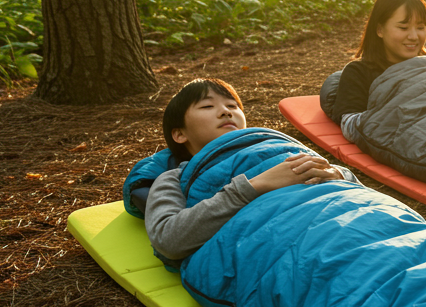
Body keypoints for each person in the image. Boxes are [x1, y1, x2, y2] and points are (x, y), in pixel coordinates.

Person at [144, 78, 351, 262]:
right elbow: (168, 239)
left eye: (232, 106)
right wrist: (255, 185)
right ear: (180, 134)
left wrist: (337, 174)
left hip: (345, 216)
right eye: (207, 106)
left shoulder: (272, 147)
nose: (226, 111)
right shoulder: (174, 178)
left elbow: (357, 190)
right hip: (297, 240)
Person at [326, 0, 426, 135]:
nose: (414, 36)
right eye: (403, 27)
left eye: (421, 27)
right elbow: (351, 124)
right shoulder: (359, 74)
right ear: (380, 30)